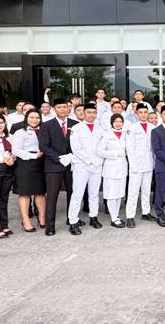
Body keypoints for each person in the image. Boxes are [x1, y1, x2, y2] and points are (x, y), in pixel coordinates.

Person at [38, 98, 78, 236]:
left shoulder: (76, 124)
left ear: (69, 109)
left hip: (72, 164)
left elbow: (79, 144)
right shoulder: (47, 125)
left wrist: (72, 156)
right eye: (59, 107)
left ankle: (72, 219)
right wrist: (59, 158)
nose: (62, 109)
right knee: (52, 196)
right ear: (54, 109)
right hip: (53, 165)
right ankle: (50, 225)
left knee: (72, 193)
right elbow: (43, 145)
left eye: (65, 107)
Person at [66, 104, 104, 235]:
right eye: (89, 112)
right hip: (81, 166)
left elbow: (103, 147)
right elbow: (76, 148)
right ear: (83, 113)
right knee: (77, 194)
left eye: (94, 112)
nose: (92, 115)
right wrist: (90, 160)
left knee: (94, 194)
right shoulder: (76, 128)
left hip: (97, 166)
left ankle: (93, 217)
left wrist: (99, 161)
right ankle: (73, 221)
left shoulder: (101, 129)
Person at [11, 109, 47, 232]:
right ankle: (25, 220)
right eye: (31, 117)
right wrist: (33, 156)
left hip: (41, 164)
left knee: (40, 192)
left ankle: (42, 218)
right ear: (26, 118)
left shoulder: (43, 131)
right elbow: (15, 150)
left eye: (37, 117)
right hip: (25, 164)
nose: (34, 120)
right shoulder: (20, 132)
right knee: (25, 193)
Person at [125, 103, 156, 227]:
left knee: (146, 190)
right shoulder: (131, 128)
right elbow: (129, 147)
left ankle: (146, 212)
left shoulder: (152, 127)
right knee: (133, 191)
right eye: (141, 112)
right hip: (136, 164)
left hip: (149, 163)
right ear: (137, 114)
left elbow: (154, 148)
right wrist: (133, 165)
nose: (143, 114)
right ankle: (130, 216)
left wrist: (154, 162)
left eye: (145, 112)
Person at [98, 113, 128, 228]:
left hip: (122, 168)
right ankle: (113, 218)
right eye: (116, 121)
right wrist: (115, 154)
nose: (118, 123)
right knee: (111, 194)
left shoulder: (126, 134)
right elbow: (100, 151)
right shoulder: (106, 134)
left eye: (120, 121)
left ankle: (116, 215)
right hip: (110, 169)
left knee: (119, 194)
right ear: (112, 123)